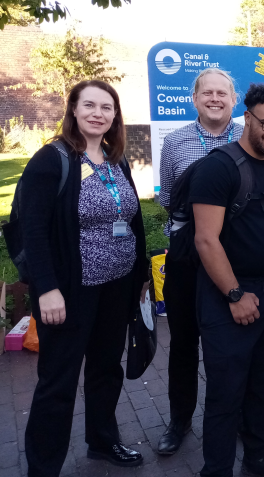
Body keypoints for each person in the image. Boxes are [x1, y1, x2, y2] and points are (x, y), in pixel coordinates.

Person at [22, 80, 150, 476]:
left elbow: (131, 219)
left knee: (106, 368)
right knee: (58, 381)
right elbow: (33, 230)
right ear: (73, 111)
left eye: (107, 107)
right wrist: (46, 289)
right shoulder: (52, 159)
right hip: (71, 291)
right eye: (89, 105)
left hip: (117, 286)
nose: (98, 113)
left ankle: (103, 441)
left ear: (115, 116)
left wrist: (140, 275)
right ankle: (43, 467)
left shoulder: (117, 159)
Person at [190, 83, 264, 477]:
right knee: (226, 392)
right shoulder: (218, 168)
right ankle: (216, 469)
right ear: (248, 118)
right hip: (227, 297)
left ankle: (257, 456)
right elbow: (206, 239)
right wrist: (235, 294)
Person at [157, 68, 244, 455]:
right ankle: (180, 419)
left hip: (236, 258)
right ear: (194, 99)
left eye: (221, 93)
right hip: (187, 259)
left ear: (233, 99)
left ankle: (234, 417)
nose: (214, 99)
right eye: (206, 93)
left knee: (231, 345)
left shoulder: (249, 136)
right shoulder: (174, 142)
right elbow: (165, 200)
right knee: (183, 342)